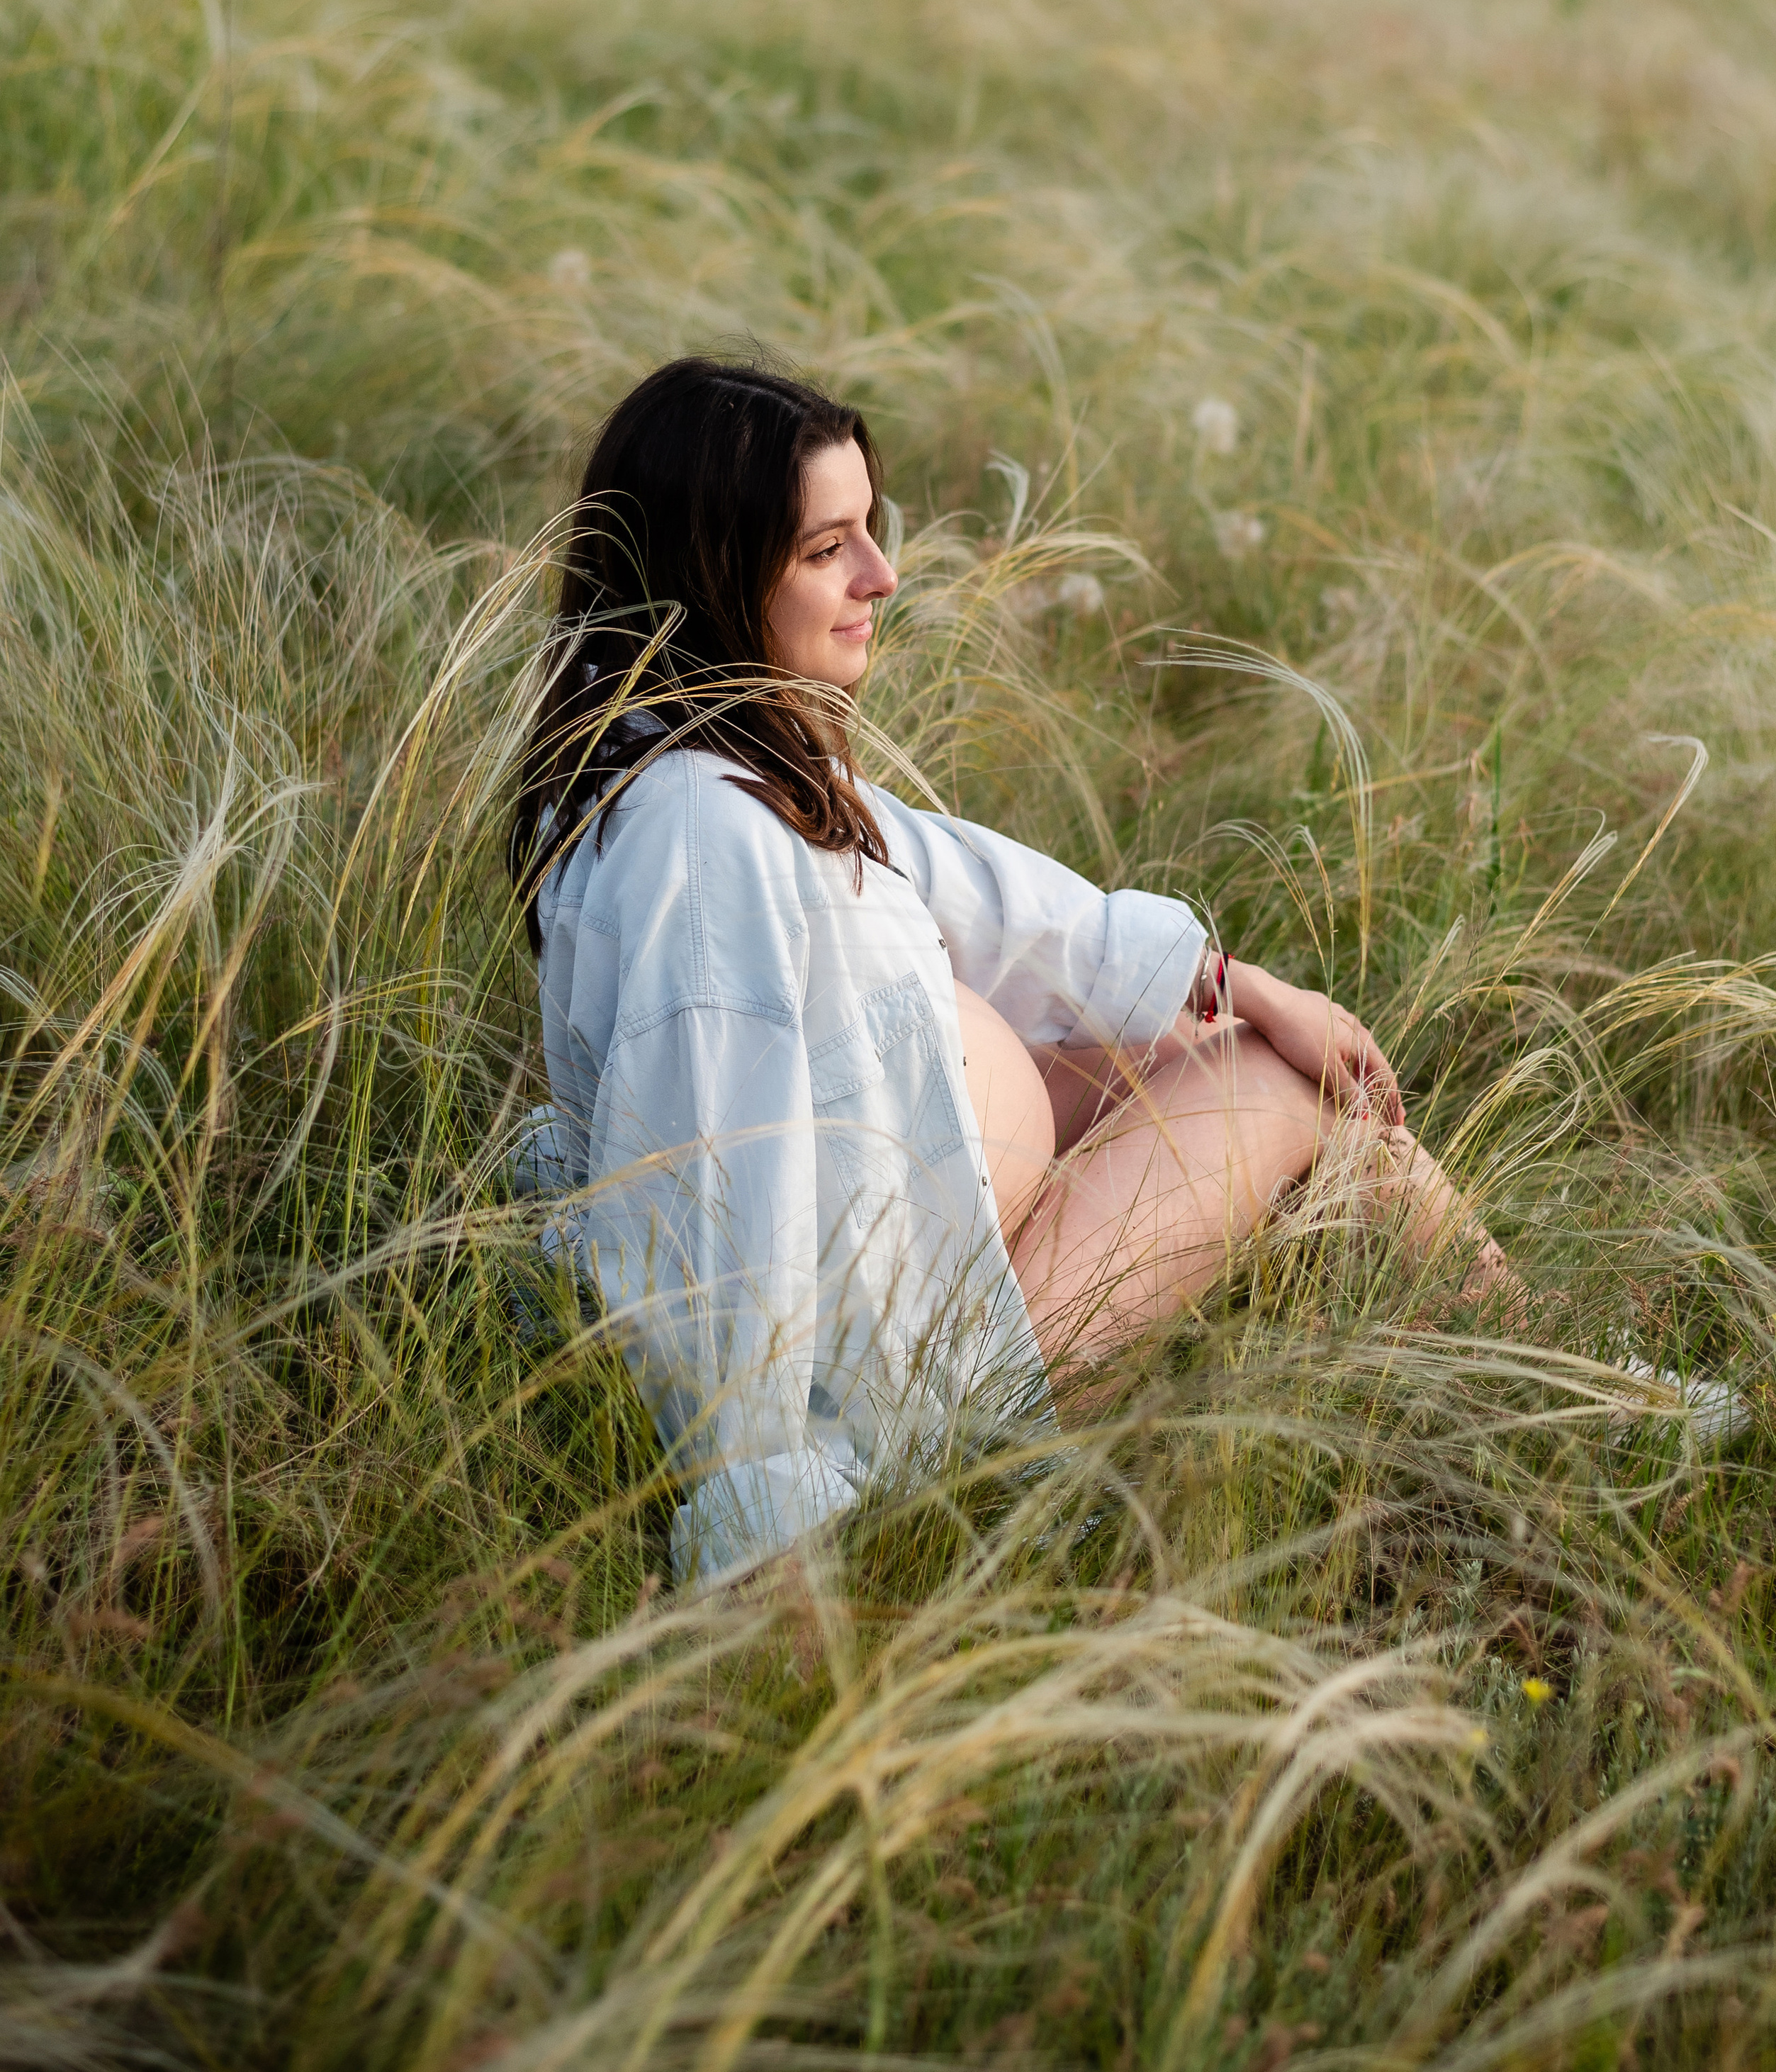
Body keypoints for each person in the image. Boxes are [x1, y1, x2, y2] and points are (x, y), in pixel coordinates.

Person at [506, 357, 1692, 1586]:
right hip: (921, 1381)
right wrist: (766, 1516)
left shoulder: (715, 754)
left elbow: (966, 885)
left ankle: (1555, 1376)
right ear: (711, 566)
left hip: (930, 1249)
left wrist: (1231, 980)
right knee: (1292, 1092)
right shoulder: (705, 844)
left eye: (874, 529)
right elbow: (721, 1205)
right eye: (827, 549)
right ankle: (1582, 1396)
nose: (882, 577)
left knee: (1210, 1053)